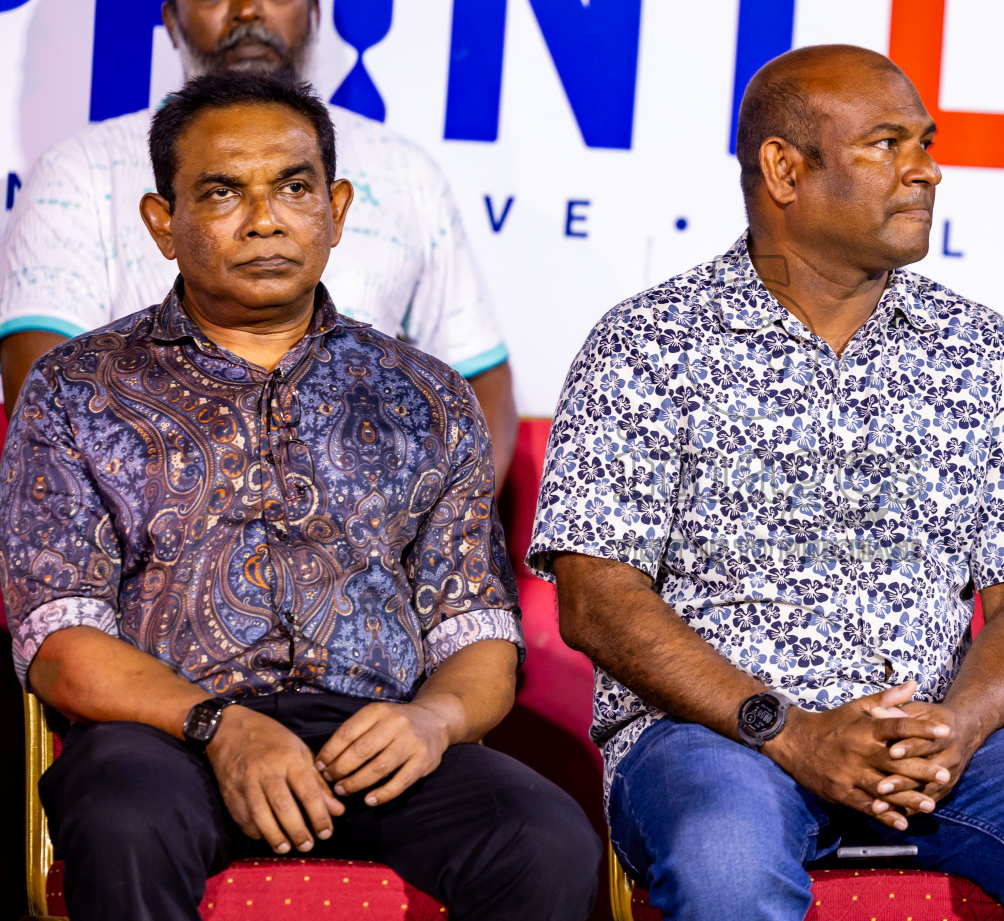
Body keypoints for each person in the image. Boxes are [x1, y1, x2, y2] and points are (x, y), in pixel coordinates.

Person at [527, 43, 1004, 921]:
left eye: (927, 143)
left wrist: (960, 726)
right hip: (720, 737)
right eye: (887, 145)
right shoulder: (648, 345)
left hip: (941, 739)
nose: (927, 171)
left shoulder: (985, 352)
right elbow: (597, 599)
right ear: (784, 170)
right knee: (725, 862)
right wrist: (789, 731)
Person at [0, 71, 600, 921]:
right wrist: (218, 726)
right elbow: (60, 642)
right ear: (161, 223)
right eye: (221, 192)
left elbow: (481, 636)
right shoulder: (79, 389)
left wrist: (430, 722)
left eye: (293, 187)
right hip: (168, 737)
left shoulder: (424, 395)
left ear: (338, 207)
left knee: (544, 836)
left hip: (376, 738)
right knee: (124, 811)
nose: (265, 219)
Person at [0, 0, 518, 489]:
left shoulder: (405, 171)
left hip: (367, 547)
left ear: (314, 11)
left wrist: (433, 524)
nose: (247, 10)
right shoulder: (80, 169)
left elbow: (481, 383)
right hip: (159, 543)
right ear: (171, 18)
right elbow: (43, 383)